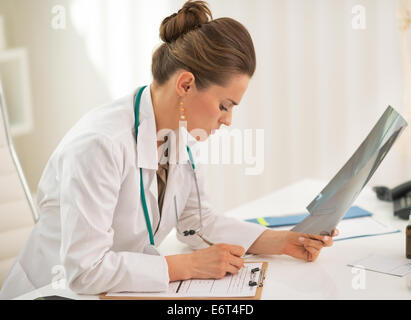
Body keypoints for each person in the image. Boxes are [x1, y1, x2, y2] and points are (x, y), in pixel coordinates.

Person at [0, 0, 338, 299]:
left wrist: (283, 242)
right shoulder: (100, 144)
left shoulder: (180, 135)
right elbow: (84, 270)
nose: (228, 120)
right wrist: (188, 265)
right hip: (51, 293)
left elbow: (196, 224)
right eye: (224, 105)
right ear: (186, 84)